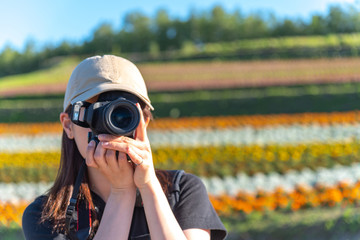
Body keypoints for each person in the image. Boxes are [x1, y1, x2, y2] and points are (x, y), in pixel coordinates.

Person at [22, 55, 227, 240]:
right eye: (97, 114)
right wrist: (122, 193)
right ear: (69, 125)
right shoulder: (44, 216)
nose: (112, 126)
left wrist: (148, 185)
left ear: (143, 122)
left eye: (123, 114)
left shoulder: (182, 191)